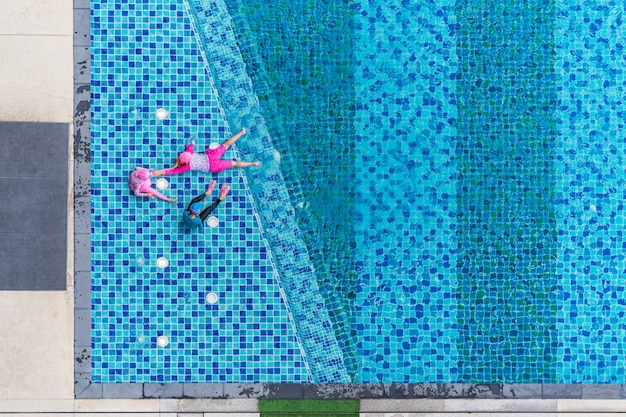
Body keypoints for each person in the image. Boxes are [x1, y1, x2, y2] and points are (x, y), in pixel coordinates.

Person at [153, 128, 260, 177]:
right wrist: (192, 142)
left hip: (213, 166)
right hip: (211, 156)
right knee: (227, 144)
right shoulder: (189, 152)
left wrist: (158, 172)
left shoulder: (186, 167)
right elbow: (191, 143)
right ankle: (241, 132)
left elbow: (172, 172)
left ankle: (253, 163)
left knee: (235, 163)